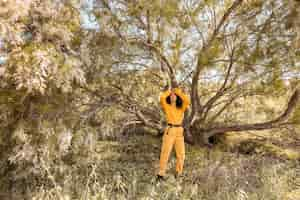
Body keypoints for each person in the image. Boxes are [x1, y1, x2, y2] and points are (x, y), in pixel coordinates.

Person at [157, 85, 190, 181]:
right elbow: (162, 97)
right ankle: (160, 174)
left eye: (174, 95)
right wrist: (170, 90)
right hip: (170, 130)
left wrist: (177, 91)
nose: (172, 96)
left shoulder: (181, 108)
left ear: (177, 97)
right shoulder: (167, 106)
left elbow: (187, 101)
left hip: (179, 131)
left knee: (182, 155)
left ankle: (178, 173)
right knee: (165, 153)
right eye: (171, 95)